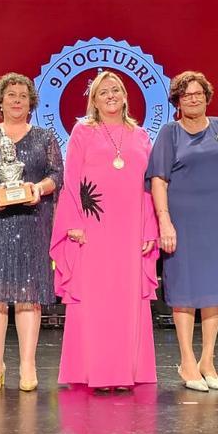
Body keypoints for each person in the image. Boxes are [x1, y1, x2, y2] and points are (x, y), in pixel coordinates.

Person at [148, 71, 218, 392]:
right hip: (183, 220)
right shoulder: (170, 133)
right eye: (187, 95)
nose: (193, 99)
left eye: (198, 94)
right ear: (177, 101)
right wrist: (164, 220)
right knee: (185, 289)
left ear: (206, 96)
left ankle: (207, 359)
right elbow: (158, 179)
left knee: (215, 288)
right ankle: (186, 360)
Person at [51, 70, 159, 390]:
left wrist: (149, 228)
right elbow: (71, 181)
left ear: (125, 96)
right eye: (103, 92)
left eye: (115, 90)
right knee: (95, 300)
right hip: (93, 227)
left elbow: (149, 187)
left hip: (130, 229)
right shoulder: (82, 132)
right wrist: (73, 222)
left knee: (127, 301)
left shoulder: (140, 136)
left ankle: (126, 373)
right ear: (94, 101)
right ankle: (94, 373)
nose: (110, 95)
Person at [0, 73, 63, 392]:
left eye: (23, 95)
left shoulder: (45, 137)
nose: (17, 99)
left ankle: (27, 366)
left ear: (31, 101)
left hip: (31, 222)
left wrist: (39, 188)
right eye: (11, 95)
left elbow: (57, 175)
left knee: (28, 297)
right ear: (0, 101)